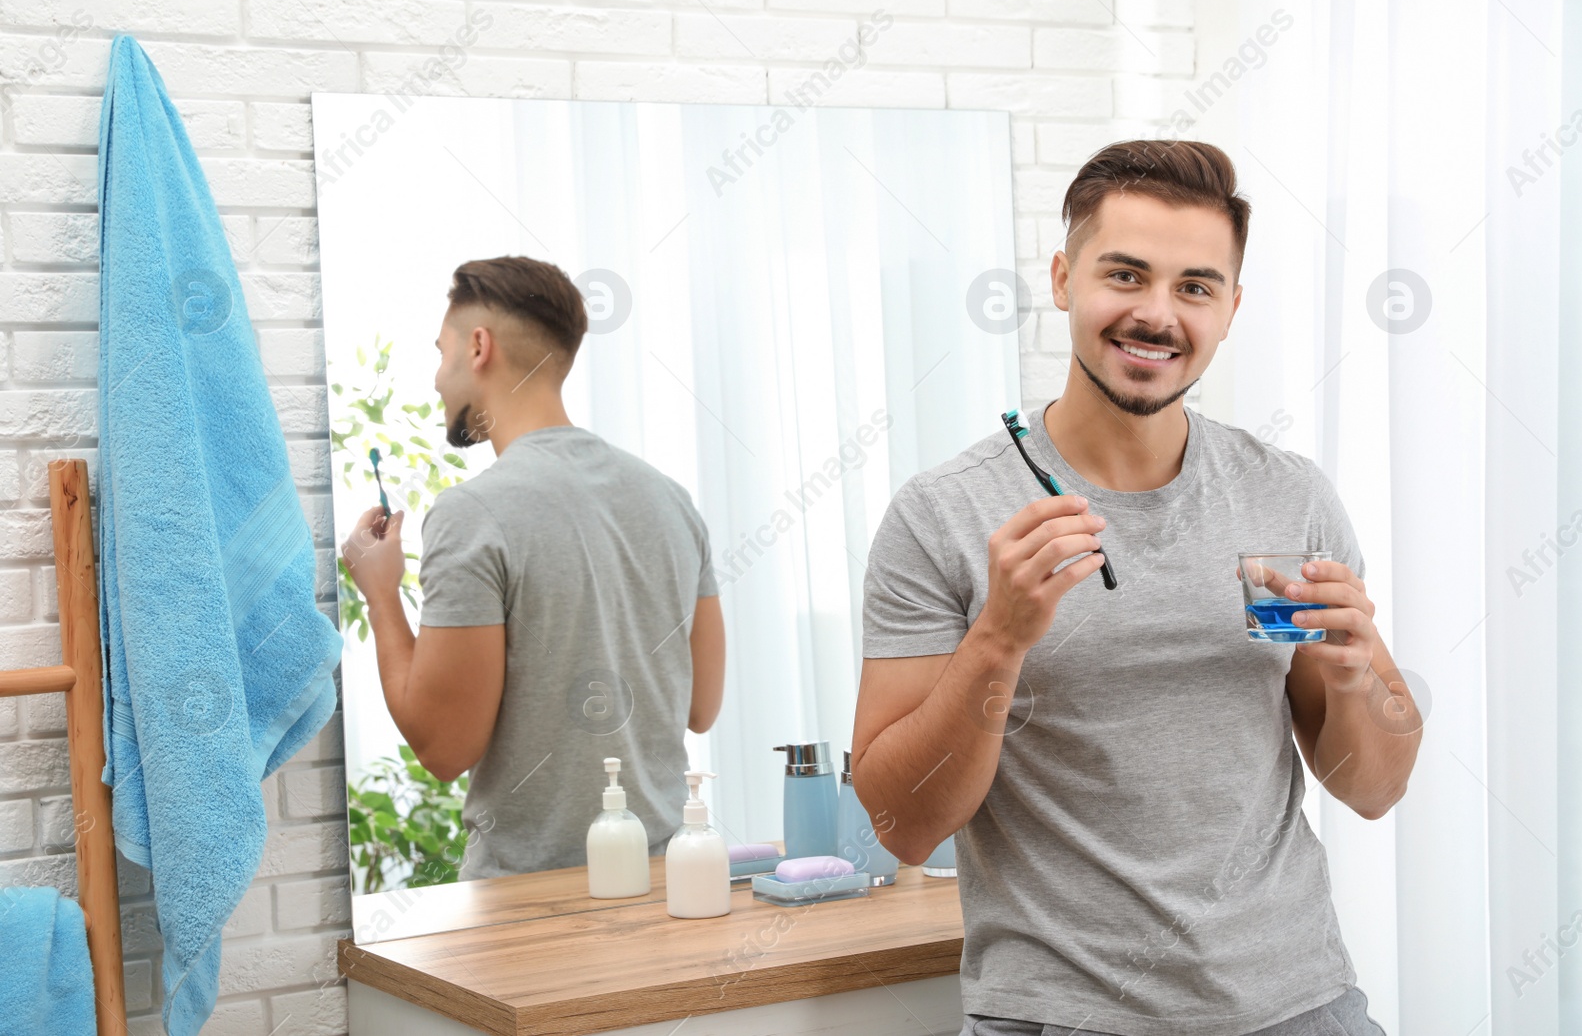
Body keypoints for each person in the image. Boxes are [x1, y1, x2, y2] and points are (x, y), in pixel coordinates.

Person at [851, 141, 1421, 1036]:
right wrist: (998, 639)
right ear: (1063, 278)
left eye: (1195, 286)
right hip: (1060, 1018)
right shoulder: (942, 516)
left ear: (1231, 309)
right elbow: (901, 823)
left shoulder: (1291, 494)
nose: (1157, 314)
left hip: (1302, 1007)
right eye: (1126, 274)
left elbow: (1373, 786)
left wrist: (1355, 675)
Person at [341, 255, 725, 879]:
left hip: (527, 911)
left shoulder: (474, 513)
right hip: (664, 884)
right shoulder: (669, 500)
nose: (438, 380)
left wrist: (381, 595)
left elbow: (444, 747)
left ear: (478, 346)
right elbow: (701, 705)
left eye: (441, 354)